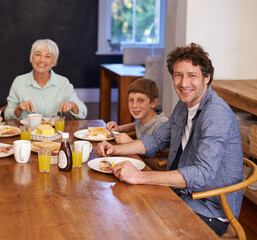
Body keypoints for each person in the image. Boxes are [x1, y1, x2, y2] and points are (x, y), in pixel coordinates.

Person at [96, 43, 243, 236]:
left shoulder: (216, 114)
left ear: (207, 78)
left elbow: (202, 174)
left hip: (209, 207)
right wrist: (115, 150)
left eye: (192, 75)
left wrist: (141, 176)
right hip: (180, 193)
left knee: (142, 227)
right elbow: (157, 139)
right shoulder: (184, 106)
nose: (183, 83)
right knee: (125, 216)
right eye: (178, 75)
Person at [4, 39, 87, 120]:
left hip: (55, 132)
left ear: (54, 62)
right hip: (27, 132)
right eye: (38, 54)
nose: (42, 60)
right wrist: (18, 108)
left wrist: (73, 105)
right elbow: (7, 115)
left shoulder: (63, 83)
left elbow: (83, 112)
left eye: (48, 56)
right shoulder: (19, 82)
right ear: (31, 58)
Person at [106, 78, 168, 144]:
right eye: (131, 100)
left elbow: (159, 152)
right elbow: (136, 125)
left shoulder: (162, 125)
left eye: (141, 100)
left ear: (153, 103)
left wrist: (131, 142)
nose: (134, 105)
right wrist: (119, 129)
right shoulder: (143, 119)